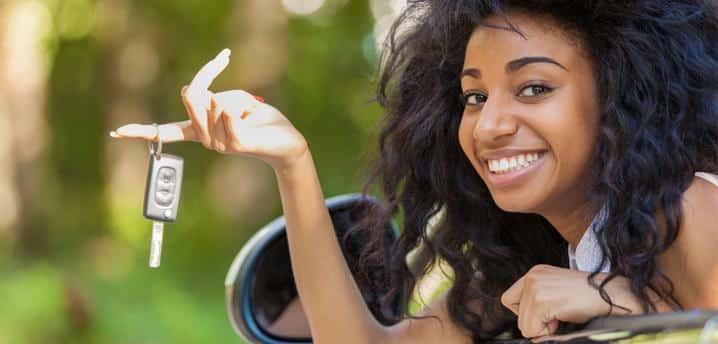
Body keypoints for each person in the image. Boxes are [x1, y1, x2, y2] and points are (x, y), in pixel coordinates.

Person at [110, 0, 718, 342]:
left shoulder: (690, 210)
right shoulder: (515, 267)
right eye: (474, 97)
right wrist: (292, 164)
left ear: (623, 96)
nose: (488, 126)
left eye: (534, 88)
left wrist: (618, 303)